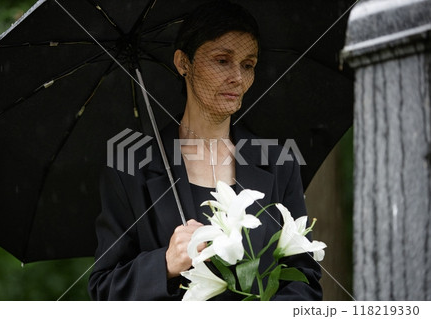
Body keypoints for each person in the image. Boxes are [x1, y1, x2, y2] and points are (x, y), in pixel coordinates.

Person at [88, 1, 322, 301]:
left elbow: (305, 279)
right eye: (222, 60)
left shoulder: (278, 163)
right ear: (184, 63)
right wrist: (166, 264)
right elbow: (104, 289)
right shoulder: (131, 168)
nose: (237, 77)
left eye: (248, 64)